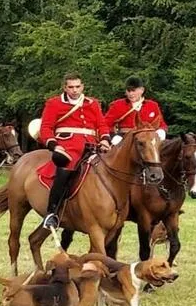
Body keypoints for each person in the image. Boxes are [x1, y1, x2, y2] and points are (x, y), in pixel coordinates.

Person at [38, 73, 110, 230]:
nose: (75, 90)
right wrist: (54, 145)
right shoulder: (54, 103)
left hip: (93, 145)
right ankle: (52, 213)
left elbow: (102, 125)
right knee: (65, 169)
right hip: (68, 146)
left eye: (77, 86)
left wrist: (105, 139)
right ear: (65, 88)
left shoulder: (92, 103)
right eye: (71, 87)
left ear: (82, 86)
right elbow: (46, 128)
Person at [103, 76, 167, 144]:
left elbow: (161, 124)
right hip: (125, 137)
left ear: (142, 90)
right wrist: (113, 135)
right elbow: (105, 124)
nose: (131, 94)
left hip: (147, 139)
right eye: (128, 91)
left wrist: (161, 131)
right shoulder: (118, 105)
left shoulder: (153, 105)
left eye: (133, 91)